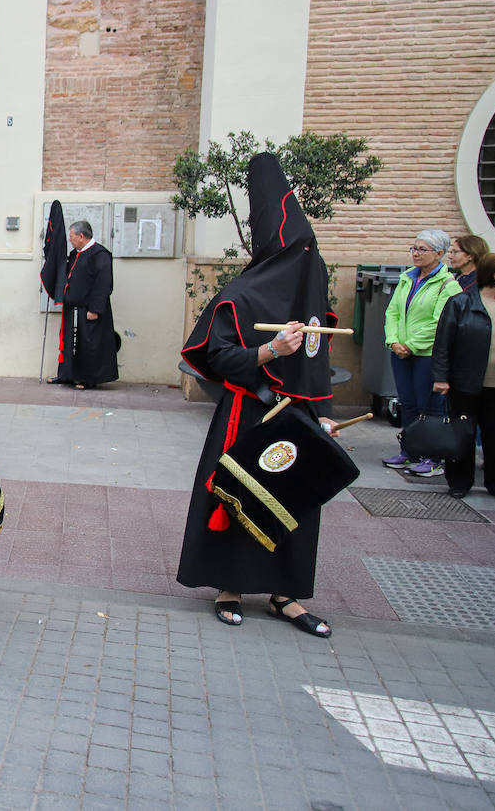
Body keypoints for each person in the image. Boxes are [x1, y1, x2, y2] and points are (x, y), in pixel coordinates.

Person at [178, 152, 341, 639]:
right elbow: (216, 358)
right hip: (247, 414)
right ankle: (229, 586)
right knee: (238, 498)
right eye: (301, 254)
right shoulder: (241, 296)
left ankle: (285, 594)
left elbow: (317, 367)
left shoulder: (311, 304)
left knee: (295, 501)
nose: (309, 265)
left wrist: (326, 414)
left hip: (300, 419)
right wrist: (269, 351)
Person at [382, 229, 461, 476]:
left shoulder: (448, 285)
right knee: (408, 404)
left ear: (439, 254)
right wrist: (393, 341)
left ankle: (433, 457)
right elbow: (392, 312)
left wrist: (411, 345)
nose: (416, 254)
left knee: (431, 406)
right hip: (401, 352)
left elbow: (439, 322)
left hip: (426, 354)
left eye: (422, 249)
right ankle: (410, 451)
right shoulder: (407, 278)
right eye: (414, 248)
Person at [431, 252, 495, 499]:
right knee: (462, 434)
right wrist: (441, 377)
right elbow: (443, 344)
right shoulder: (461, 303)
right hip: (465, 384)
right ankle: (459, 482)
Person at [50, 220, 118, 390]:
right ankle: (67, 375)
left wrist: (95, 309)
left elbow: (103, 284)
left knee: (87, 345)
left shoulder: (99, 255)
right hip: (73, 309)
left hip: (88, 310)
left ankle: (86, 378)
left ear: (81, 236)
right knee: (70, 344)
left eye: (72, 237)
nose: (70, 240)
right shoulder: (75, 254)